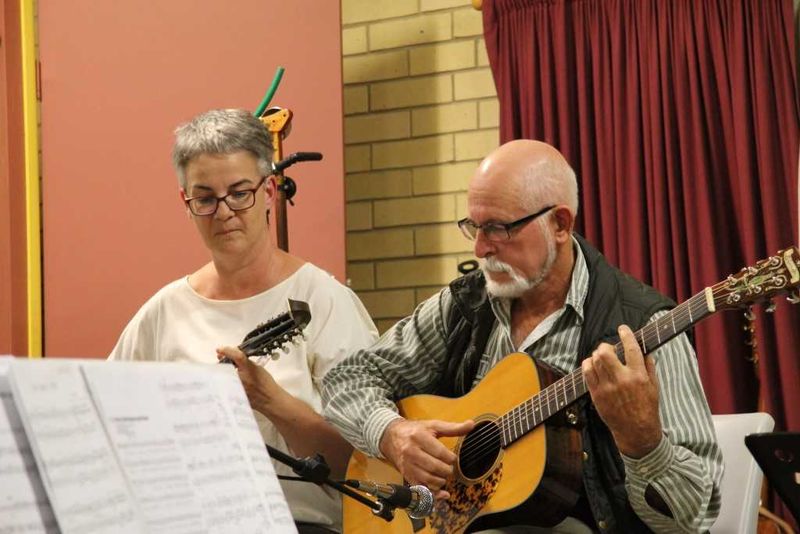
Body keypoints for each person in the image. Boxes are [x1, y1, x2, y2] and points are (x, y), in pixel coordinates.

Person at [322, 139, 723, 533]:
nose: (480, 248)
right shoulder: (465, 306)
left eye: (498, 228)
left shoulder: (643, 327)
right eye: (473, 227)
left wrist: (643, 443)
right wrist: (392, 434)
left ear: (560, 224)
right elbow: (345, 380)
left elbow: (692, 518)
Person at [109, 108, 378, 533]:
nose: (224, 212)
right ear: (187, 203)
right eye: (205, 198)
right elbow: (111, 426)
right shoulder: (163, 312)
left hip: (297, 523)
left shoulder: (324, 301)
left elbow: (365, 463)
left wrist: (270, 399)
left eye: (239, 192)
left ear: (269, 190)